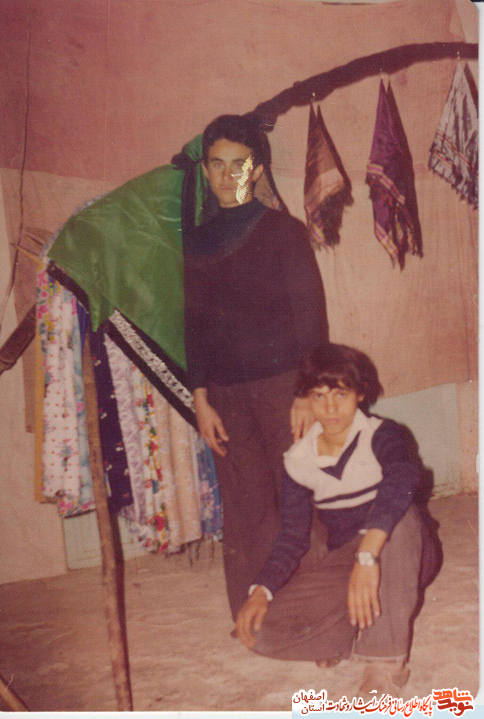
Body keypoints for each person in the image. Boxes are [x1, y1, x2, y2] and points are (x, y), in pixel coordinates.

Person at [184, 114, 328, 621]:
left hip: (282, 387)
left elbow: (312, 319)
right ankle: (261, 615)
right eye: (217, 165)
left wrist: (307, 392)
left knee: (299, 496)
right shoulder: (197, 241)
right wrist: (200, 397)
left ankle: (319, 615)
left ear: (258, 169)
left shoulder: (284, 233)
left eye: (239, 165)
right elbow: (194, 324)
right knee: (247, 504)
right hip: (224, 395)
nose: (228, 176)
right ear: (205, 171)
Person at [235, 343, 439, 699]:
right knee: (258, 631)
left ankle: (385, 662)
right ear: (307, 399)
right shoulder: (298, 460)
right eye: (319, 396)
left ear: (360, 394)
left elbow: (402, 479)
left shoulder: (381, 434)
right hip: (347, 560)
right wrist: (261, 590)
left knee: (400, 515)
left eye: (340, 395)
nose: (330, 409)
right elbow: (292, 537)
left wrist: (367, 557)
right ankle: (348, 631)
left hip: (404, 551)